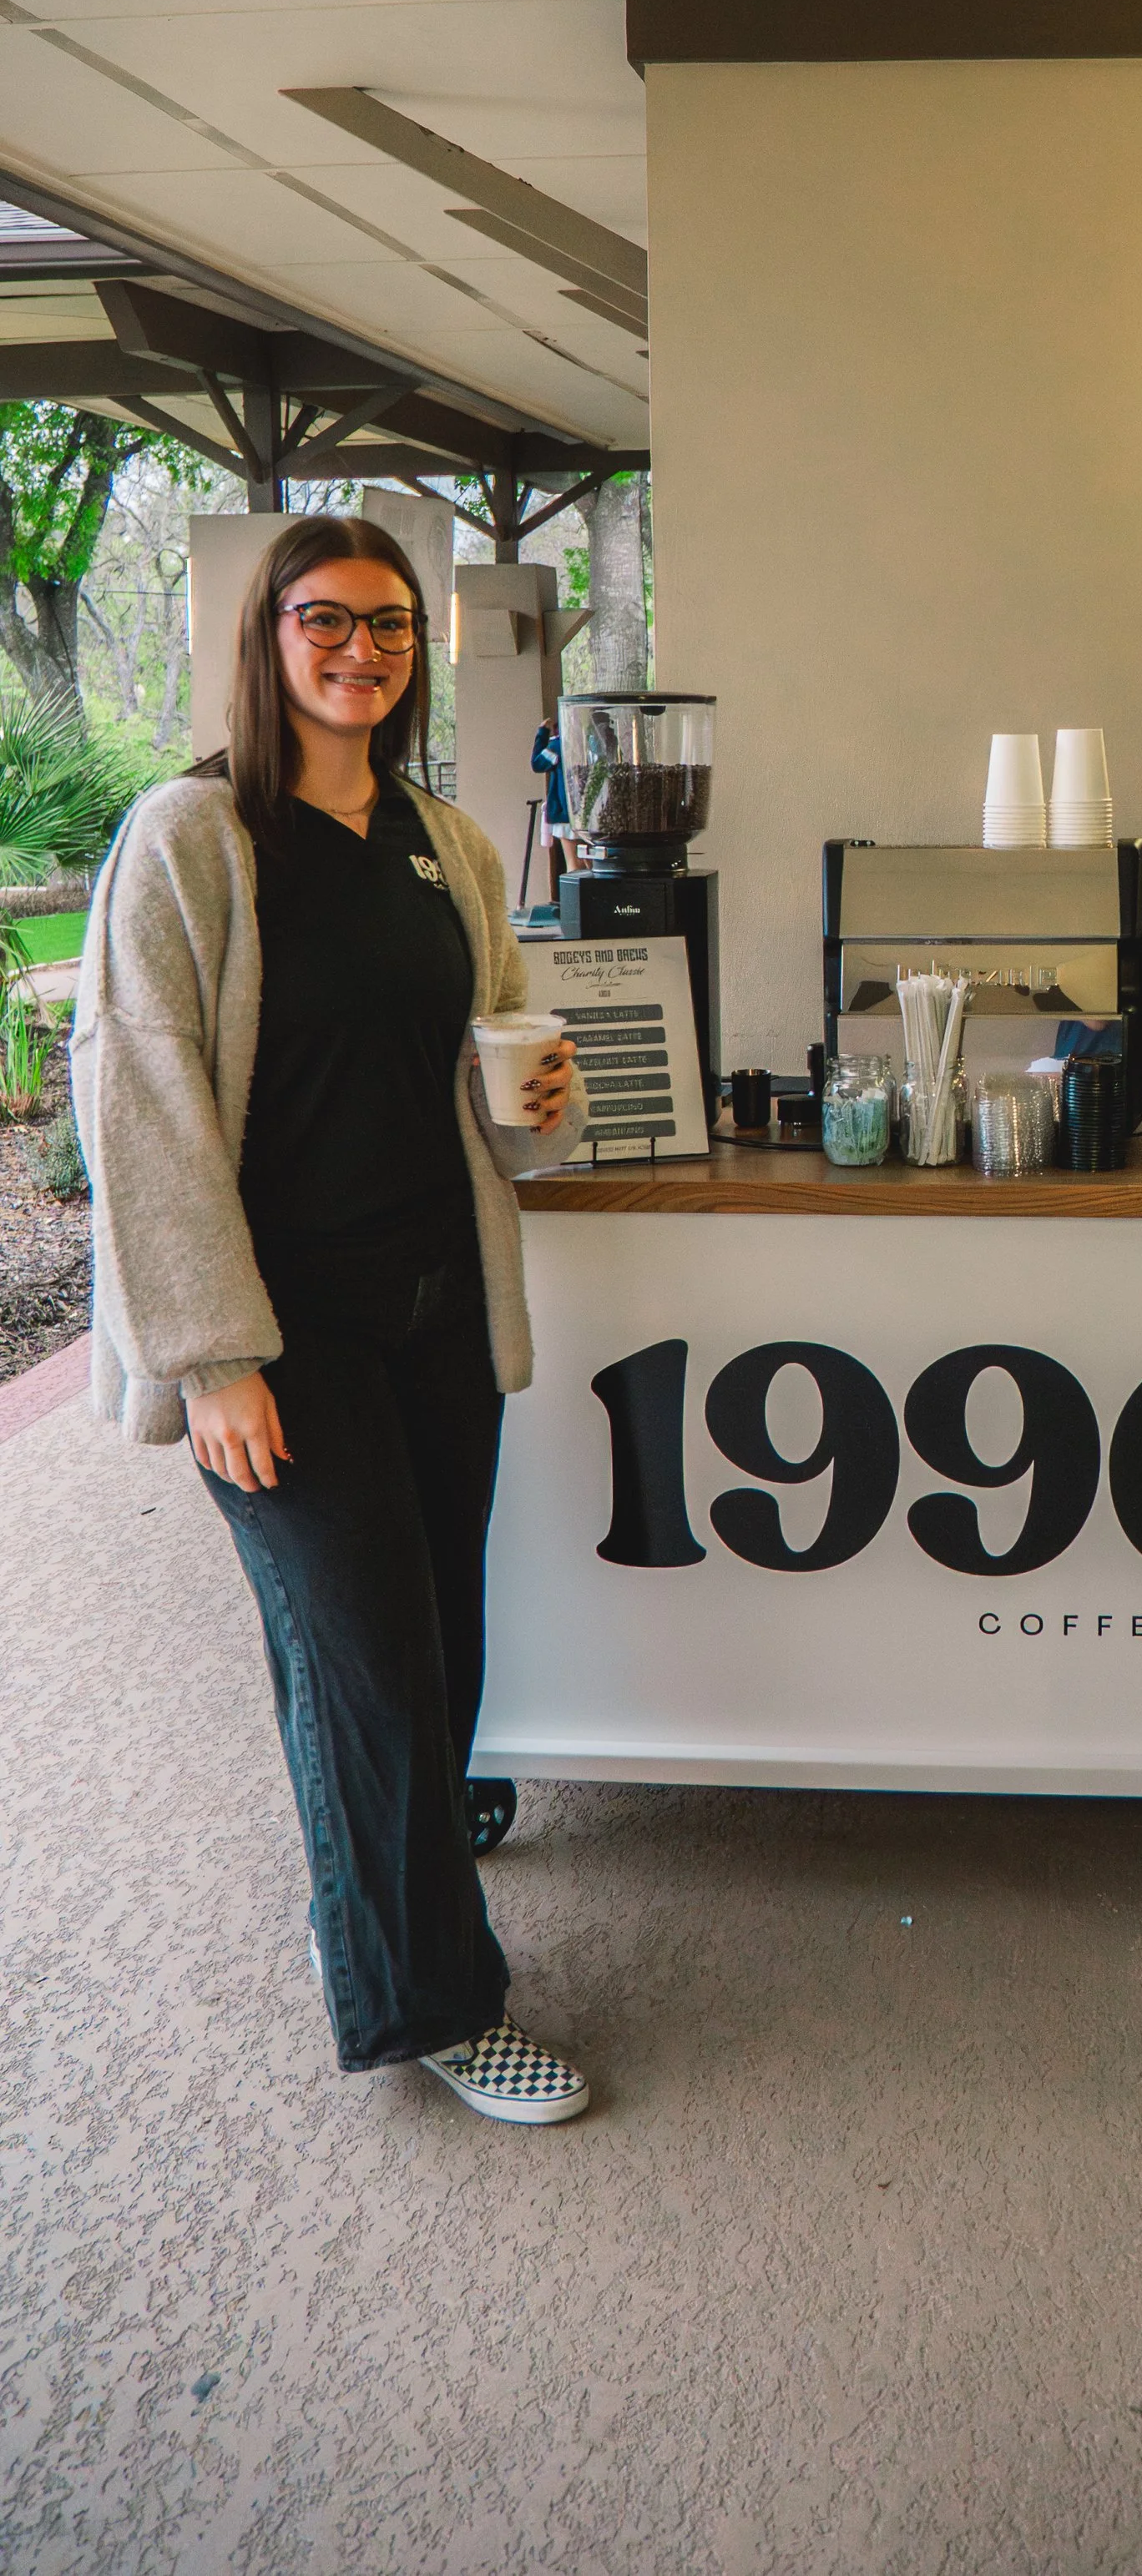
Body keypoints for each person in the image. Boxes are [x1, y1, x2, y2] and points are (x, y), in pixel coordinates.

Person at [74, 516, 596, 2126]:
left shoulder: (451, 839)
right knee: (363, 1657)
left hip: (441, 1305)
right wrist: (213, 1353)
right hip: (283, 1333)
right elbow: (141, 1095)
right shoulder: (193, 836)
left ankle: (410, 1863)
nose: (361, 650)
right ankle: (431, 1999)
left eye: (390, 626)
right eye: (327, 620)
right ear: (267, 634)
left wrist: (544, 1102)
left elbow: (485, 1068)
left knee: (442, 1634)